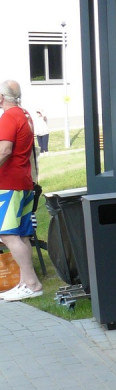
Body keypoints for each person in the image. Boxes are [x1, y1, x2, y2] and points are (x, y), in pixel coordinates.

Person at [0, 80, 43, 301]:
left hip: (9, 184)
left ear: (1, 98)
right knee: (23, 235)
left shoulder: (8, 116)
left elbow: (5, 150)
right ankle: (27, 282)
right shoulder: (24, 114)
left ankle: (32, 283)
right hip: (24, 181)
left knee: (7, 235)